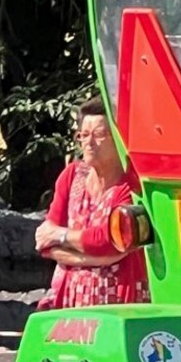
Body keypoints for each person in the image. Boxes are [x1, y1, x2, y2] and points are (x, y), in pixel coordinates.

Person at [36, 97, 148, 309]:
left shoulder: (131, 186)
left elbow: (108, 241)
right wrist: (99, 260)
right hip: (70, 302)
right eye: (84, 135)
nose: (89, 142)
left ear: (119, 138)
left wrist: (62, 236)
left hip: (117, 305)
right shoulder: (71, 176)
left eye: (99, 134)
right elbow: (44, 243)